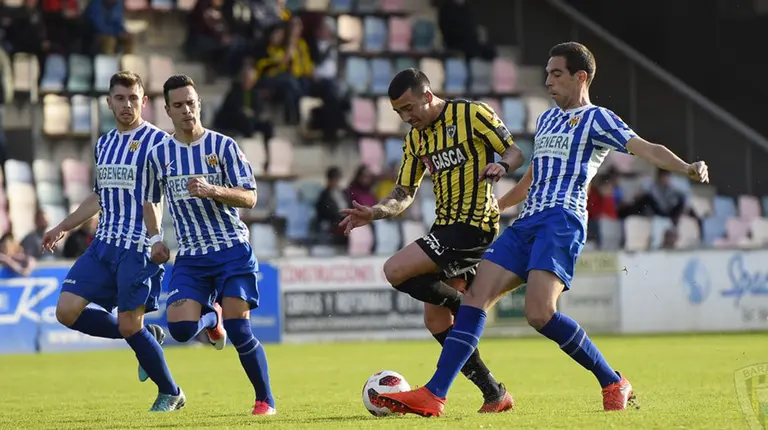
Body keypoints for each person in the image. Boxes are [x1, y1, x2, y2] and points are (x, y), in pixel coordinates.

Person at [375, 42, 709, 416]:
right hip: (526, 223)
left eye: (556, 74)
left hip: (562, 221)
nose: (548, 81)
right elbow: (534, 175)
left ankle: (613, 381)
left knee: (539, 313)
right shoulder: (547, 120)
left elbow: (646, 148)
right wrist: (500, 204)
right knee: (473, 298)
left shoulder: (598, 119)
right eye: (547, 73)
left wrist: (686, 167)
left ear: (580, 77)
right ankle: (435, 394)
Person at [339, 68, 525, 413]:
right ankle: (494, 393)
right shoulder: (416, 140)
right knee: (435, 321)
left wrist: (503, 165)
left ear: (427, 95)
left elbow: (515, 151)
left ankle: (464, 305)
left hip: (475, 224)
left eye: (409, 108)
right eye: (398, 112)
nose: (406, 117)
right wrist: (375, 212)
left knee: (395, 270)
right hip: (445, 227)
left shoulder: (471, 113)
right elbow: (403, 192)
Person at [42, 71, 184, 412]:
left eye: (133, 98)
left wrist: (158, 238)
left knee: (129, 324)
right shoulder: (104, 144)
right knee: (66, 311)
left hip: (138, 248)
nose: (126, 105)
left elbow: (163, 194)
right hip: (103, 244)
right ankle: (146, 337)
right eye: (120, 98)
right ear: (108, 102)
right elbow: (99, 197)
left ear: (144, 102)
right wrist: (63, 226)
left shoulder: (158, 143)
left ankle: (171, 392)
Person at [143, 74, 276, 416]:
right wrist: (155, 238)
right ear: (167, 111)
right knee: (181, 330)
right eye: (178, 105)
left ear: (199, 103)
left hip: (231, 249)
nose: (186, 110)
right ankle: (211, 319)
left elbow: (250, 197)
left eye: (190, 103)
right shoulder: (159, 155)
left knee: (240, 329)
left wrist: (213, 190)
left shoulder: (223, 146)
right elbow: (151, 199)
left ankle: (265, 400)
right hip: (190, 255)